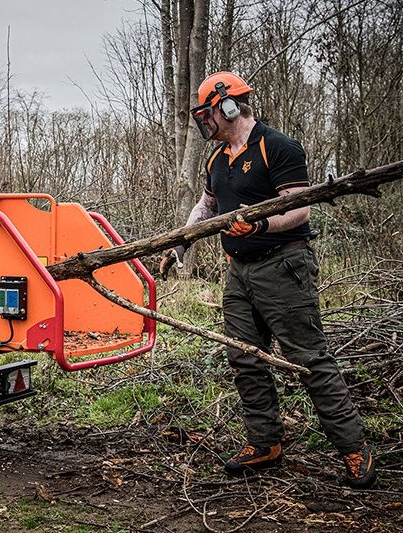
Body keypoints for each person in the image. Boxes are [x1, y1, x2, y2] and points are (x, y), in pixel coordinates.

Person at [160, 71, 377, 489]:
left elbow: (298, 209)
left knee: (308, 359)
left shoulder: (277, 147)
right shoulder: (217, 157)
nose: (205, 122)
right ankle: (265, 443)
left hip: (284, 267)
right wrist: (181, 245)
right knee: (244, 357)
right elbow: (206, 207)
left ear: (227, 107)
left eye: (209, 114)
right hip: (238, 272)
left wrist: (260, 228)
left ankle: (354, 447)